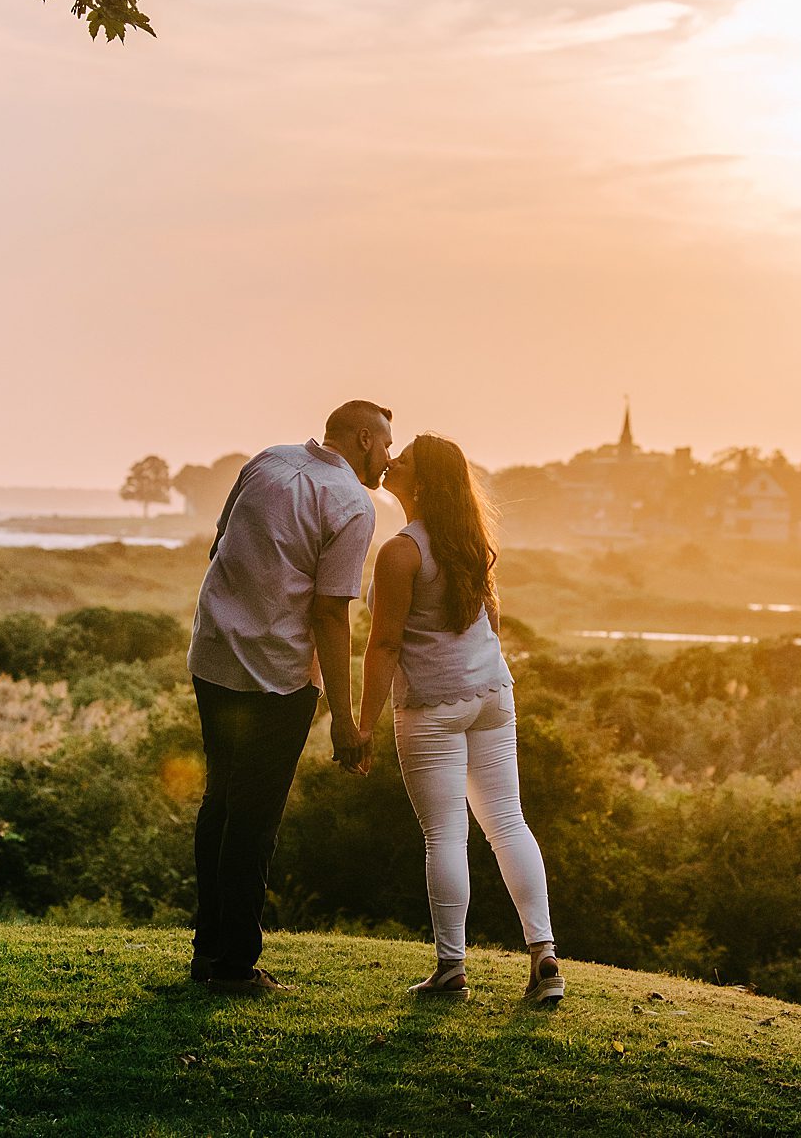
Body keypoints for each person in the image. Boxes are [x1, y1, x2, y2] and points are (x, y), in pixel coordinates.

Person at [187, 400, 392, 994]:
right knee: (253, 820)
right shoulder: (352, 503)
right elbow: (330, 613)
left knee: (220, 804)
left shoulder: (266, 461)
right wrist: (343, 718)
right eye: (385, 445)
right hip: (276, 677)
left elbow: (219, 544)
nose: (389, 457)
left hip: (214, 656)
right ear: (363, 439)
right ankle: (234, 966)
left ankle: (209, 951)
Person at [357, 433, 563, 1006]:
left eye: (403, 460)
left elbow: (384, 645)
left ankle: (451, 967)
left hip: (432, 704)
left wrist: (362, 725)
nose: (391, 462)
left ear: (422, 484)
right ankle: (544, 954)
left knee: (445, 834)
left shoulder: (401, 552)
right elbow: (491, 619)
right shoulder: (470, 542)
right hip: (492, 692)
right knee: (509, 824)